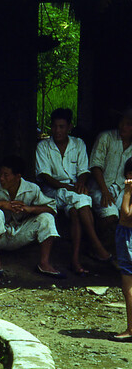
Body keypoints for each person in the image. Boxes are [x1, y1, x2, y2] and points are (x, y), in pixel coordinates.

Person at [35, 108, 112, 275]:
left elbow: (84, 170)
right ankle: (97, 245)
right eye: (55, 127)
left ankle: (75, 260)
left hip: (73, 191)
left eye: (62, 127)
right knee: (81, 199)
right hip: (52, 191)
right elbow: (44, 175)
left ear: (69, 127)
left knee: (77, 210)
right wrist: (71, 188)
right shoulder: (43, 146)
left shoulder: (78, 144)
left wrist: (80, 183)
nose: (57, 131)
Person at [0, 155, 61, 278]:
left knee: (46, 217)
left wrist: (30, 209)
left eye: (6, 175)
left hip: (18, 235)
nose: (1, 178)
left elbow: (52, 209)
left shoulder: (32, 189)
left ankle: (44, 263)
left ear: (18, 176)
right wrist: (0, 204)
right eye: (0, 174)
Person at [89, 107, 132, 238]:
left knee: (126, 216)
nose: (123, 127)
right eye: (122, 122)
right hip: (100, 187)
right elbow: (96, 166)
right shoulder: (105, 137)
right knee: (110, 216)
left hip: (122, 190)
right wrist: (104, 190)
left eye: (129, 124)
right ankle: (95, 243)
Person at [110, 158, 132, 342]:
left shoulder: (130, 191)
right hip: (125, 235)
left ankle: (131, 328)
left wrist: (127, 191)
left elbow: (126, 214)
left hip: (129, 237)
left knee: (129, 285)